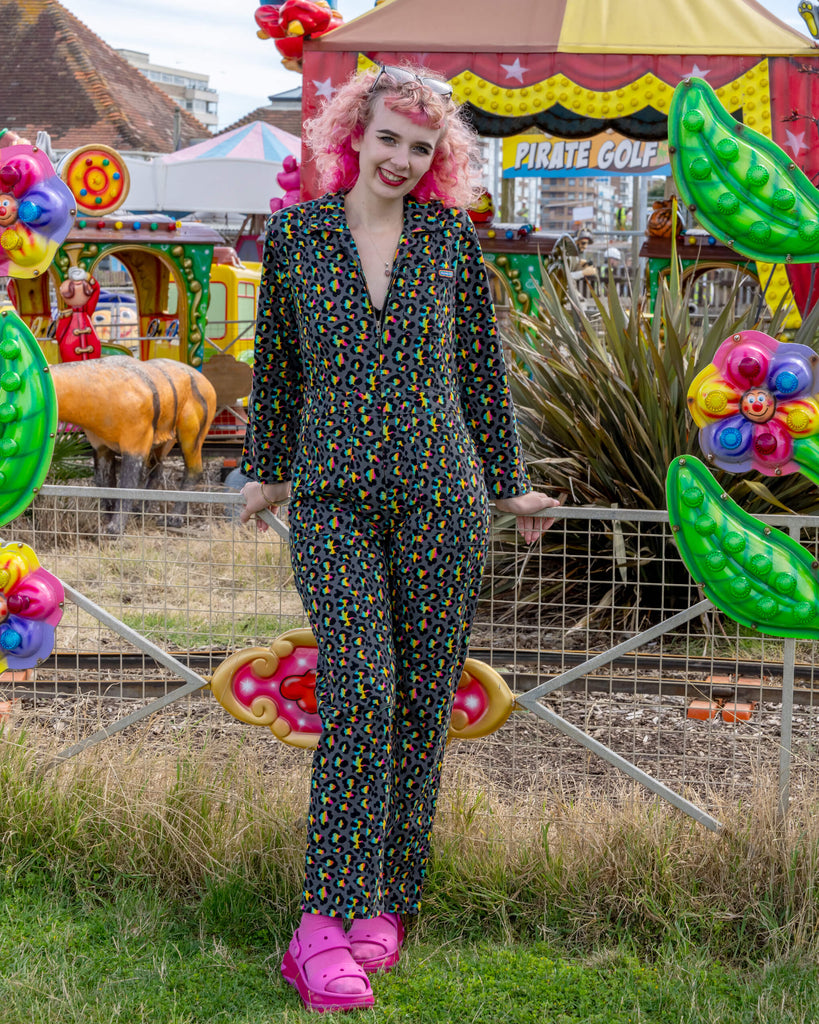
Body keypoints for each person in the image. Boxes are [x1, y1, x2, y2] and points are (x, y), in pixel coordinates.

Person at [240, 63, 560, 1013]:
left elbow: (479, 372)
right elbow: (278, 364)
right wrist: (266, 468)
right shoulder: (297, 237)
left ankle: (387, 898)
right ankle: (320, 926)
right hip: (332, 499)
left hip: (441, 498)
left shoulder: (448, 239)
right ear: (354, 134)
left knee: (420, 703)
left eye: (421, 147)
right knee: (362, 691)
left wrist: (507, 486)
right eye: (388, 138)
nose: (402, 159)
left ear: (437, 157)